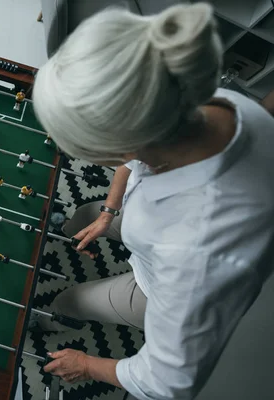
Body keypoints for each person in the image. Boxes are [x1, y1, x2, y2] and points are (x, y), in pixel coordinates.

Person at [32, 3, 274, 399]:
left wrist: (87, 364)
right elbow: (134, 159)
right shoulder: (198, 102)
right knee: (84, 214)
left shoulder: (196, 254)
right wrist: (109, 210)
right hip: (152, 223)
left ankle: (52, 318)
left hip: (154, 284)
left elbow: (167, 382)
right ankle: (79, 228)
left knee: (70, 299)